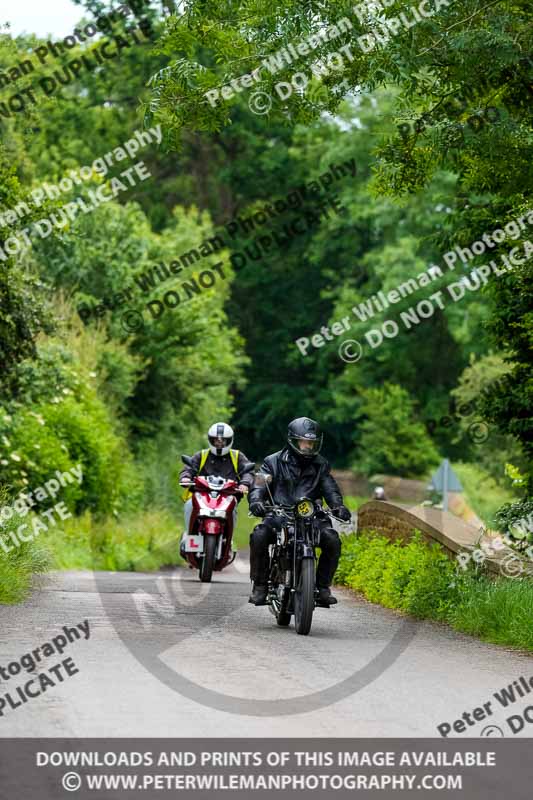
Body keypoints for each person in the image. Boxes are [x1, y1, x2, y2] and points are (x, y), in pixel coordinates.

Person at [247, 417, 351, 608]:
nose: (308, 447)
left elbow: (330, 488)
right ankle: (260, 586)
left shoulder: (321, 465)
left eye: (312, 443)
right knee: (259, 535)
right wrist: (256, 501)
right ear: (293, 440)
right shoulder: (272, 461)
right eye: (304, 442)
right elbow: (259, 484)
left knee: (332, 539)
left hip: (311, 516)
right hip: (279, 513)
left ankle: (322, 587)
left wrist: (338, 506)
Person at [178, 422, 253, 554]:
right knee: (189, 504)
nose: (219, 443)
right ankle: (190, 536)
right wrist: (185, 477)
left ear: (229, 440)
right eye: (216, 440)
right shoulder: (202, 455)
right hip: (202, 495)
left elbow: (248, 472)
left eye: (223, 440)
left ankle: (228, 540)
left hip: (227, 496)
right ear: (210, 440)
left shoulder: (237, 456)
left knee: (233, 508)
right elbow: (189, 468)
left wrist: (244, 483)